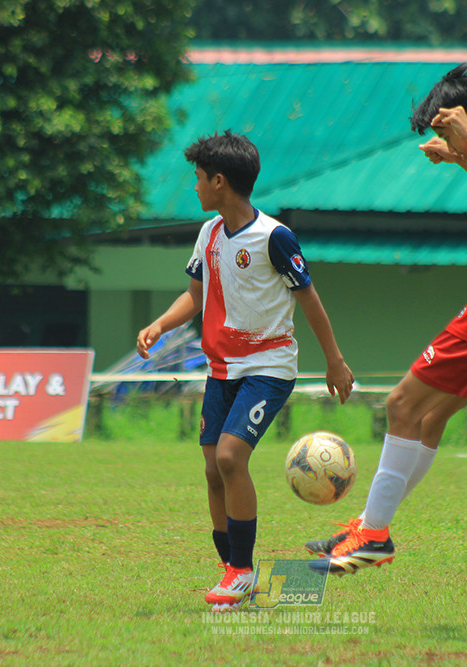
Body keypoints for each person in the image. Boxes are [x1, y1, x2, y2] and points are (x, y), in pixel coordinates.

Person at [306, 63, 467, 575]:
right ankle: (369, 524)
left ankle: (373, 536)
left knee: (399, 404)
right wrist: (458, 155)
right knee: (431, 418)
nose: (447, 140)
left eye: (447, 129)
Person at [136, 130, 354, 611]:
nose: (193, 186)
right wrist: (160, 325)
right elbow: (195, 296)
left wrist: (334, 360)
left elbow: (310, 300)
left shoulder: (273, 237)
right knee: (214, 468)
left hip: (269, 366)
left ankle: (241, 571)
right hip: (222, 368)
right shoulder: (209, 234)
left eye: (197, 178)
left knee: (232, 458)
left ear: (219, 181)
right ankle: (234, 567)